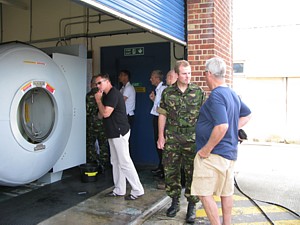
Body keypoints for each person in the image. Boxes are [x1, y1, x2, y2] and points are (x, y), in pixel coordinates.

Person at [191, 57, 251, 225]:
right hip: (228, 154)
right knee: (226, 192)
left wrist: (206, 150)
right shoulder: (232, 93)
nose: (204, 76)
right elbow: (247, 114)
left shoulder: (217, 95)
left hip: (214, 155)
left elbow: (222, 126)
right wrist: (235, 129)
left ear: (209, 74)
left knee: (204, 193)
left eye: (204, 73)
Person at [157, 60, 205, 223]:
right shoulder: (168, 92)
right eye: (184, 73)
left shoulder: (198, 92)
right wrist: (161, 136)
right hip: (172, 139)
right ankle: (175, 202)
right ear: (177, 74)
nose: (188, 76)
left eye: (189, 73)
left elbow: (204, 117)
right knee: (171, 171)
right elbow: (162, 114)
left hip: (192, 140)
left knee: (192, 172)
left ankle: (192, 205)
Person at [94, 73, 144, 200]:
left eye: (99, 83)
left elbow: (105, 113)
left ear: (107, 81)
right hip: (112, 132)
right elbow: (100, 115)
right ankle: (119, 189)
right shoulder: (105, 95)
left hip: (119, 131)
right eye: (96, 84)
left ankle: (137, 189)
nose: (97, 86)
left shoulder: (113, 94)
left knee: (125, 161)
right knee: (115, 162)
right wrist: (100, 103)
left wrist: (98, 101)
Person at [86, 76, 109, 170]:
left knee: (90, 143)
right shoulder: (104, 94)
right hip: (103, 122)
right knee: (103, 143)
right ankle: (104, 163)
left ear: (91, 84)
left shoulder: (89, 95)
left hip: (91, 123)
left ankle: (94, 162)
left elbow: (87, 110)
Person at [149, 70, 167, 178]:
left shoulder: (163, 89)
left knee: (161, 143)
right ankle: (161, 166)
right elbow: (158, 104)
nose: (150, 79)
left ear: (157, 78)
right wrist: (154, 99)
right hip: (156, 116)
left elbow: (162, 108)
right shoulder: (158, 90)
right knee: (158, 143)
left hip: (160, 118)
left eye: (152, 77)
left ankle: (163, 169)